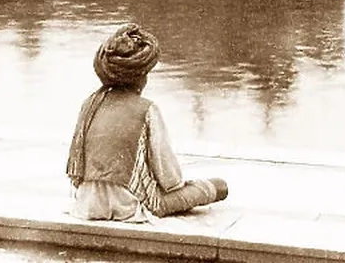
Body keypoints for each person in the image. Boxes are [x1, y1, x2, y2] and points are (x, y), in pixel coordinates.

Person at [67, 23, 228, 221]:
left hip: (86, 204)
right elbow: (172, 180)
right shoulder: (147, 108)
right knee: (219, 186)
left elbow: (76, 172)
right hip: (129, 205)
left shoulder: (89, 103)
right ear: (140, 78)